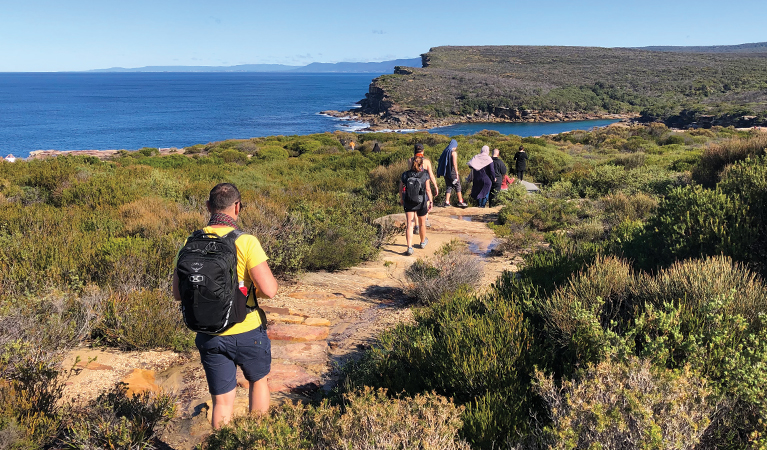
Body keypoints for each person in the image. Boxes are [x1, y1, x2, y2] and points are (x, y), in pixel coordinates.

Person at [172, 183, 278, 429]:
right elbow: (270, 290)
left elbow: (178, 295)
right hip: (248, 330)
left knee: (221, 402)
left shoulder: (190, 242)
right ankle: (255, 441)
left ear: (208, 207)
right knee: (258, 382)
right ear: (237, 207)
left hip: (208, 334)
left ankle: (221, 445)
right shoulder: (246, 241)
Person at [399, 155, 433, 255]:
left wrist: (402, 198)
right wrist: (430, 201)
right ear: (421, 164)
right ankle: (422, 242)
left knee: (410, 224)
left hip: (409, 201)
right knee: (422, 223)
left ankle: (409, 247)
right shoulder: (424, 174)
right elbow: (428, 189)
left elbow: (400, 189)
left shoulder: (405, 174)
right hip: (421, 201)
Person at [407, 143, 438, 233]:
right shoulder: (427, 162)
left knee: (415, 205)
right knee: (426, 201)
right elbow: (431, 175)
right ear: (423, 151)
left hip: (413, 185)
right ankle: (425, 219)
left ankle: (416, 226)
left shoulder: (410, 160)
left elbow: (409, 173)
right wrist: (435, 185)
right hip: (423, 184)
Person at [436, 139, 468, 208]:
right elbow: (454, 164)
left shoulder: (445, 151)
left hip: (446, 172)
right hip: (452, 172)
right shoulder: (453, 153)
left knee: (449, 186)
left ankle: (447, 202)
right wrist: (456, 173)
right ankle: (460, 201)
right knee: (457, 185)